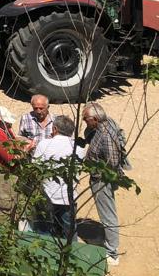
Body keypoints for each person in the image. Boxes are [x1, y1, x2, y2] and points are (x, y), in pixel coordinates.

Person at [82, 103, 126, 266]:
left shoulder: (107, 135)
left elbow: (113, 162)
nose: (84, 121)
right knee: (107, 212)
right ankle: (107, 240)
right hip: (100, 176)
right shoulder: (103, 125)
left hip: (103, 180)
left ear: (94, 119)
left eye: (86, 119)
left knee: (108, 215)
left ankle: (112, 252)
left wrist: (98, 171)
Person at [32, 114, 78, 241]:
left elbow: (35, 167)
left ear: (55, 129)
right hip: (68, 196)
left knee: (44, 231)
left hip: (47, 194)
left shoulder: (44, 144)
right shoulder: (78, 148)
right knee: (69, 232)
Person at [0, 105, 27, 229]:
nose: (9, 125)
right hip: (1, 173)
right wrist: (26, 149)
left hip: (2, 171)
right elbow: (11, 158)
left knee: (14, 201)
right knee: (5, 205)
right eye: (6, 123)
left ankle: (10, 228)